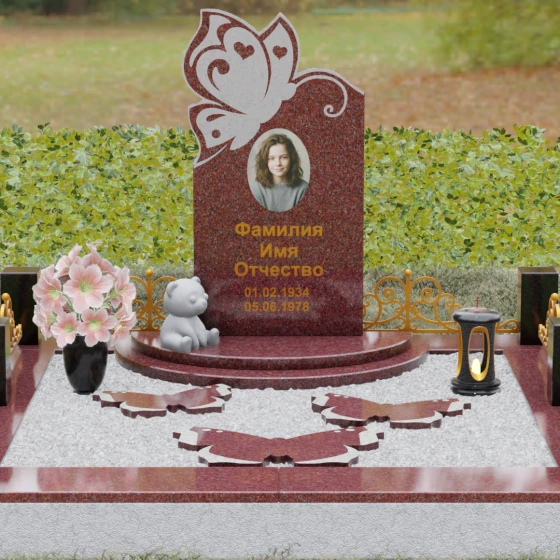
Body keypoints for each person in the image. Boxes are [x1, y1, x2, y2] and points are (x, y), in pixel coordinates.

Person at [249, 133, 309, 212]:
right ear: (265, 161)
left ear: (292, 159)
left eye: (284, 157)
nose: (278, 163)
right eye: (271, 158)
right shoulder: (256, 189)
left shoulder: (303, 188)